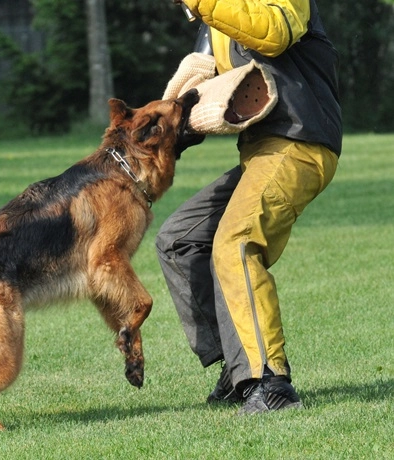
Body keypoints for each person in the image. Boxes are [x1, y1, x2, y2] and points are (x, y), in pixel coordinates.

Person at [156, 0, 342, 414]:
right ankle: (239, 365)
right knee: (180, 239)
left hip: (300, 143)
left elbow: (273, 33)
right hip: (260, 152)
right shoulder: (215, 17)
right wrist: (156, 128)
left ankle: (272, 384)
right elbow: (197, 73)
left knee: (237, 240)